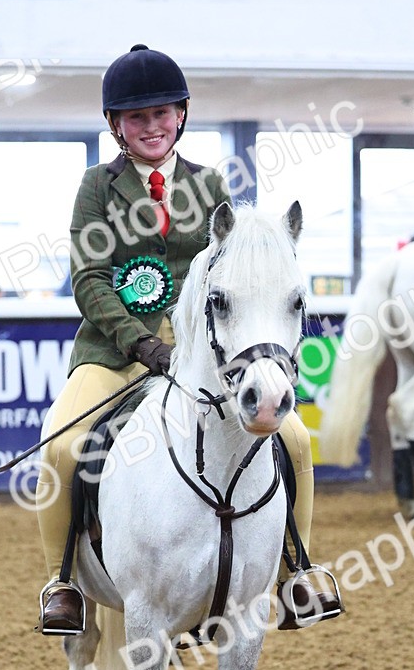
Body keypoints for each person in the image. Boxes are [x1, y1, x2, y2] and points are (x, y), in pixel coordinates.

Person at [36, 44, 319, 634]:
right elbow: (89, 278)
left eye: (161, 114)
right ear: (116, 126)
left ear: (181, 115)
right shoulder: (97, 187)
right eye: (137, 118)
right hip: (115, 354)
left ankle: (295, 570)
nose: (151, 127)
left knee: (292, 437)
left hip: (200, 357)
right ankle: (64, 584)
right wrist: (141, 343)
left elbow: (229, 274)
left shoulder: (209, 183)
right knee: (63, 449)